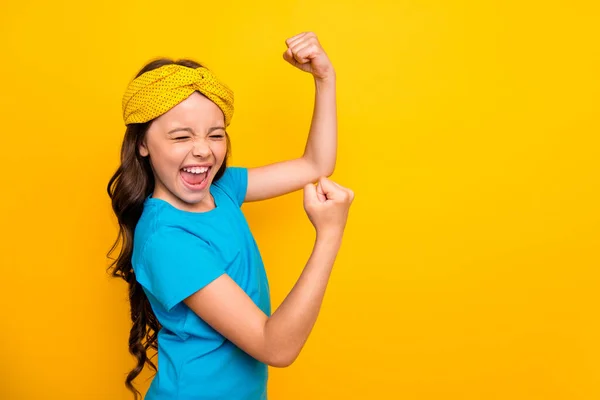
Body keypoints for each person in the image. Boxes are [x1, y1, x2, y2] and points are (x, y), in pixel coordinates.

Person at [107, 31, 354, 400]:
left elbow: (316, 164)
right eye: (180, 137)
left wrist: (324, 78)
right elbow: (276, 348)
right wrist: (330, 235)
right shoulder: (166, 240)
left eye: (216, 135)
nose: (203, 151)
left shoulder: (221, 189)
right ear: (142, 143)